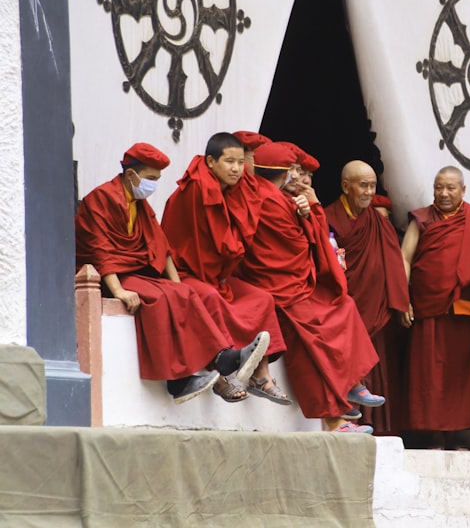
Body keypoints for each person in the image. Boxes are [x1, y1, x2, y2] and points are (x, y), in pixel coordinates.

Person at [75, 143, 270, 403]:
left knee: (181, 293)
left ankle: (220, 357)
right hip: (111, 275)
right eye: (151, 178)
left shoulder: (138, 202)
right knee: (156, 299)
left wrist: (179, 286)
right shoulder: (101, 198)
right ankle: (177, 380)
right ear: (132, 175)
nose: (153, 184)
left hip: (135, 271)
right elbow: (101, 251)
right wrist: (119, 290)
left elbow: (160, 245)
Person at [238, 142, 383, 433]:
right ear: (284, 172)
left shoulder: (279, 197)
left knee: (344, 305)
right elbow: (305, 242)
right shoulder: (265, 199)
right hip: (279, 289)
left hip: (294, 283)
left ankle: (353, 384)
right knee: (314, 336)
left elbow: (307, 241)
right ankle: (335, 421)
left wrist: (308, 208)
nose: (299, 177)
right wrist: (312, 209)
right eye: (295, 171)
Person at [161, 132, 289, 404]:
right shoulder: (196, 190)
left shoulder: (236, 190)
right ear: (210, 162)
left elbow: (234, 241)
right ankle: (219, 379)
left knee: (262, 299)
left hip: (218, 277)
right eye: (229, 161)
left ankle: (261, 376)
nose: (236, 168)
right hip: (186, 274)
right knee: (209, 298)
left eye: (241, 162)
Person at [399, 166, 470, 447]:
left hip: (464, 311)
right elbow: (405, 258)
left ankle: (456, 435)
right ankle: (433, 435)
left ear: (463, 190)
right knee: (429, 375)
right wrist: (403, 297)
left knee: (459, 377)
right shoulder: (422, 219)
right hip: (427, 308)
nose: (443, 193)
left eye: (450, 188)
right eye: (439, 187)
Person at [324, 160, 410, 433]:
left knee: (374, 362)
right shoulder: (327, 217)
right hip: (341, 305)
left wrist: (401, 301)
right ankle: (344, 420)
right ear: (345, 185)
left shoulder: (378, 222)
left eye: (372, 185)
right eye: (363, 185)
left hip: (375, 306)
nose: (369, 191)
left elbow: (394, 262)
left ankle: (377, 425)